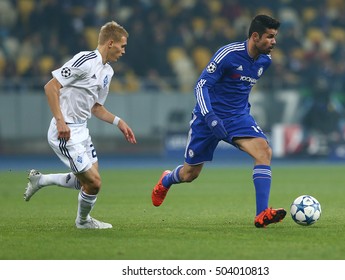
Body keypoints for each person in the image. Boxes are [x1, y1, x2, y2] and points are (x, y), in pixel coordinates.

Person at [151, 15, 286, 228]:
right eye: (269, 37)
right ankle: (167, 179)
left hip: (238, 117)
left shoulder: (265, 61)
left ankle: (262, 214)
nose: (274, 42)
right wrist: (210, 117)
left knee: (264, 151)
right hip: (208, 117)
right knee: (189, 174)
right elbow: (201, 85)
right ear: (255, 36)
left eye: (275, 37)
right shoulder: (228, 54)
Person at [24, 21, 137, 229]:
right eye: (122, 46)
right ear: (110, 43)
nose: (123, 51)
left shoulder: (107, 72)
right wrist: (60, 121)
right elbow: (51, 87)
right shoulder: (85, 60)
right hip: (64, 131)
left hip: (81, 130)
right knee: (94, 182)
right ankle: (83, 222)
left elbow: (96, 108)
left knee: (85, 182)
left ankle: (40, 181)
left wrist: (118, 122)